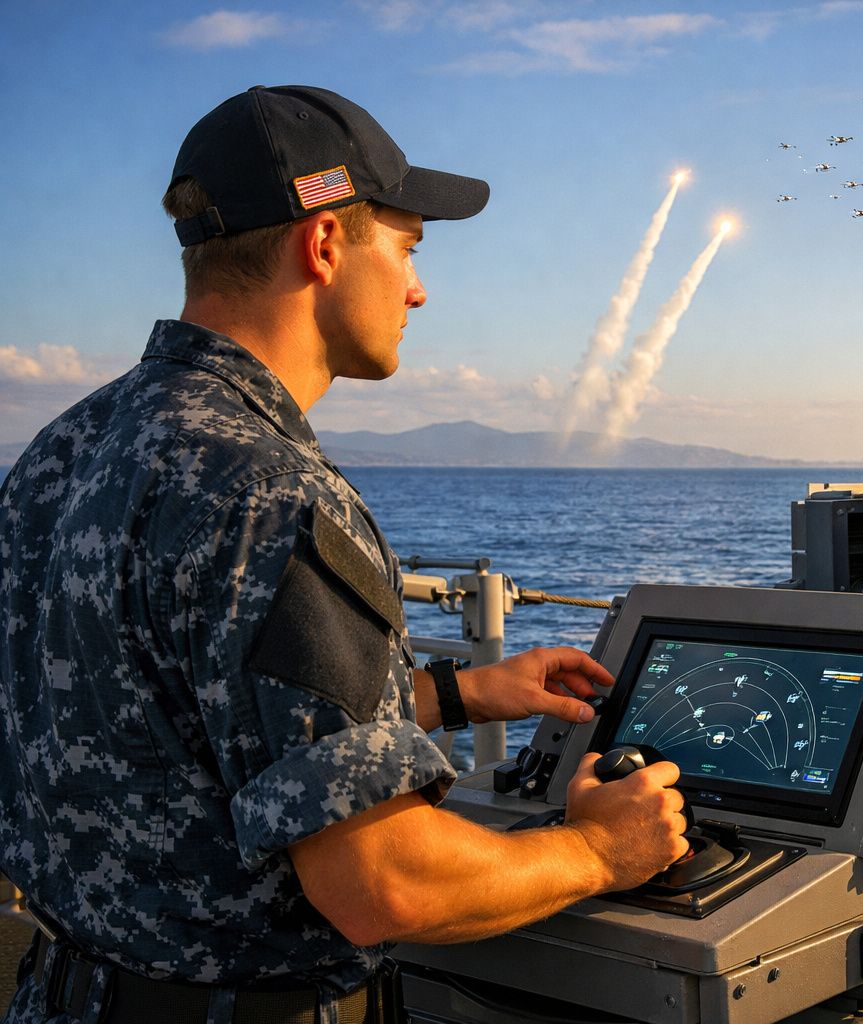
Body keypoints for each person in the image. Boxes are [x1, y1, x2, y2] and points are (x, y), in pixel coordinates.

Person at [0, 85, 689, 1024]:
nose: (417, 288)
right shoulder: (270, 491)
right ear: (323, 244)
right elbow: (381, 886)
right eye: (406, 249)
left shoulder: (66, 449)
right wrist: (603, 851)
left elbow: (181, 718)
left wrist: (457, 694)